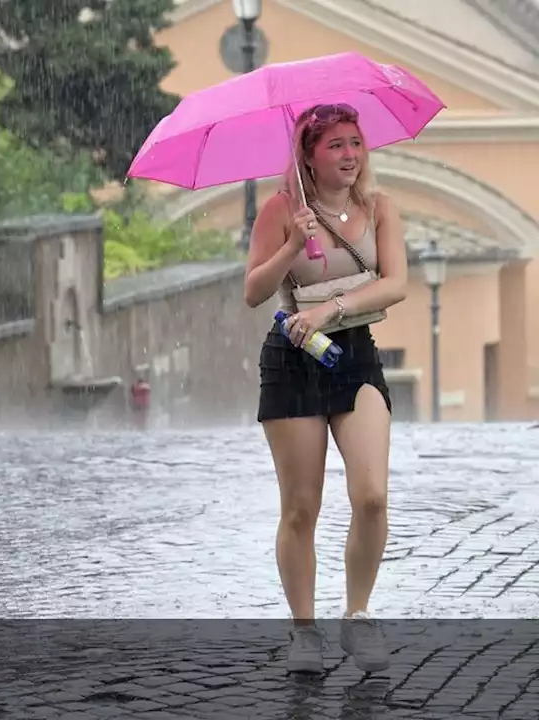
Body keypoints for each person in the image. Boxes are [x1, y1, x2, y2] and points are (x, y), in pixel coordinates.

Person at [243, 103, 409, 675]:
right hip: (292, 363)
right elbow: (253, 290)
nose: (350, 155)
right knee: (301, 508)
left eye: (356, 143)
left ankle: (358, 615)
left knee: (372, 496)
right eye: (336, 145)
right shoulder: (281, 210)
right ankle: (304, 630)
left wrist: (334, 306)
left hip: (355, 356)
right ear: (309, 156)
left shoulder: (378, 208)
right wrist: (291, 245)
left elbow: (396, 283)